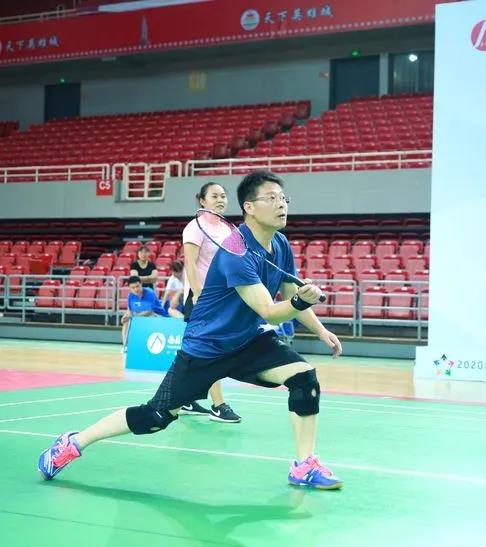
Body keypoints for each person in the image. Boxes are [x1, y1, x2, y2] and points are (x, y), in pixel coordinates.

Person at [38, 171, 344, 490]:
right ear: (249, 207)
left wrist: (321, 330)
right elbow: (269, 309)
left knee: (304, 378)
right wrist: (299, 300)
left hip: (248, 340)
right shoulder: (235, 252)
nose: (282, 204)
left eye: (283, 198)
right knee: (155, 417)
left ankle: (304, 466)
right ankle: (74, 442)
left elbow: (289, 290)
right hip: (206, 347)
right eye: (272, 198)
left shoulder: (280, 243)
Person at [180, 182, 241, 423]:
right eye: (214, 196)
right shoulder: (195, 227)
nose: (220, 200)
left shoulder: (227, 229)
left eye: (223, 196)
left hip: (222, 297)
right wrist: (198, 294)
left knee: (195, 351)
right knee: (210, 349)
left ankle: (185, 399)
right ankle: (219, 405)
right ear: (202, 200)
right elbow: (190, 263)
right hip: (202, 297)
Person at [121, 275, 168, 346]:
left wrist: (133, 317)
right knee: (126, 322)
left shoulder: (150, 293)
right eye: (133, 288)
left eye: (137, 286)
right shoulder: (130, 296)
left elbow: (149, 311)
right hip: (140, 317)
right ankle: (125, 346)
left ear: (141, 284)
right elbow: (130, 310)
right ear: (129, 288)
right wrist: (125, 317)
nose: (136, 289)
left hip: (158, 316)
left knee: (151, 317)